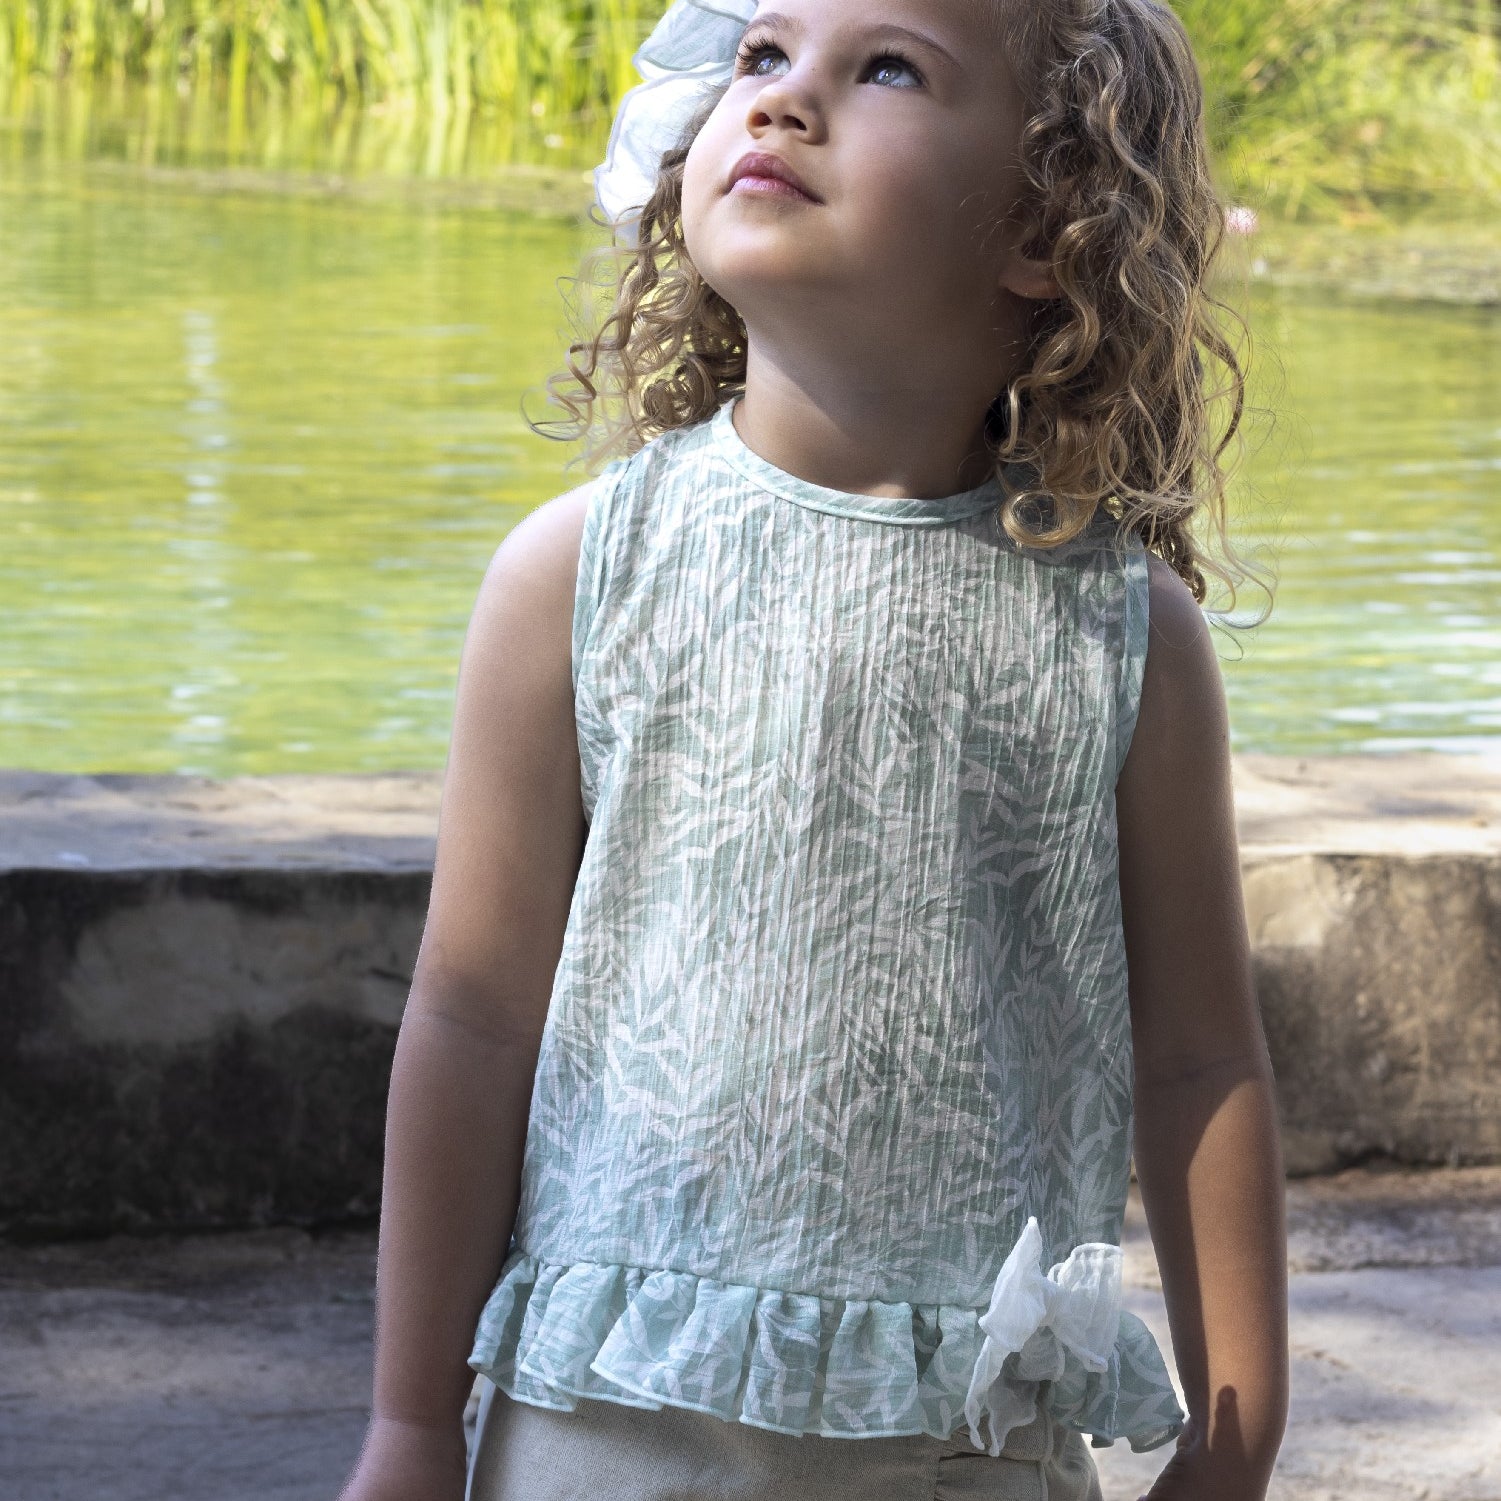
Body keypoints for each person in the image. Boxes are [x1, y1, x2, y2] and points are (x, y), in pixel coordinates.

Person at [337, 0, 1289, 1497]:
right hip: (609, 1425)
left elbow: (1199, 1059)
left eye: (886, 66)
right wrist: (407, 1422)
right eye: (762, 56)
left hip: (964, 1443)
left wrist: (1238, 1439)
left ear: (1044, 226)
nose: (782, 101)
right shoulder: (579, 572)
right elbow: (471, 1017)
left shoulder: (1118, 629)